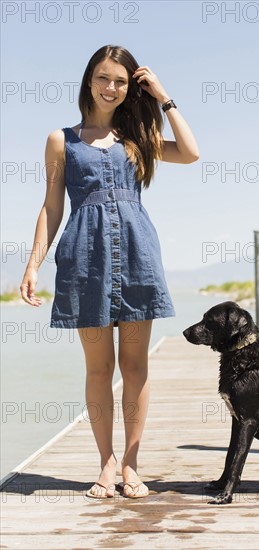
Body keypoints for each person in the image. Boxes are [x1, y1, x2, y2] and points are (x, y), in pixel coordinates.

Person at [20, 45, 199, 499]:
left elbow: (192, 153)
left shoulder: (138, 134)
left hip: (137, 254)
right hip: (85, 260)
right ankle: (104, 464)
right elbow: (52, 206)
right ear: (89, 81)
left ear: (129, 86)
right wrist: (34, 261)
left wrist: (164, 98)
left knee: (135, 366)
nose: (111, 88)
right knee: (99, 369)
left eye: (120, 81)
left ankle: (131, 465)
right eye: (103, 78)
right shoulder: (62, 139)